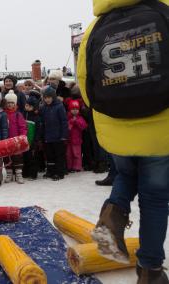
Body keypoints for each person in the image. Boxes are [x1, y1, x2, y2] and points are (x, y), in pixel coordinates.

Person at [78, 0, 169, 281]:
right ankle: (150, 269)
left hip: (115, 124)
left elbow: (84, 81)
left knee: (126, 175)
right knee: (155, 197)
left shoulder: (96, 27)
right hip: (160, 124)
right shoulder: (163, 12)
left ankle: (110, 220)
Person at [39, 86, 68, 181]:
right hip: (47, 136)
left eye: (49, 97)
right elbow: (42, 122)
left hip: (58, 137)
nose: (47, 100)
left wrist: (64, 135)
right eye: (45, 98)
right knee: (49, 155)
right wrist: (42, 135)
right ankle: (50, 171)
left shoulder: (59, 106)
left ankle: (60, 172)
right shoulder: (43, 108)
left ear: (53, 97)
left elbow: (64, 121)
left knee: (59, 155)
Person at [3, 91, 27, 184]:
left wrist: (22, 136)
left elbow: (23, 126)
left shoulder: (18, 114)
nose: (10, 105)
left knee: (17, 157)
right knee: (7, 157)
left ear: (15, 104)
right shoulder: (3, 114)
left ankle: (18, 174)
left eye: (12, 103)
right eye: (8, 103)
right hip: (6, 139)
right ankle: (9, 174)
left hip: (16, 140)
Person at [23, 96, 41, 180]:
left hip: (32, 141)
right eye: (26, 105)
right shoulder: (23, 115)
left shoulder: (36, 117)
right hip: (24, 140)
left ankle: (33, 174)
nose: (27, 107)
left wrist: (35, 141)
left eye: (30, 106)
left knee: (32, 158)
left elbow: (38, 131)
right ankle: (25, 172)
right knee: (25, 157)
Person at [66, 100, 87, 172]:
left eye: (76, 109)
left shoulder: (80, 118)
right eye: (73, 109)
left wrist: (76, 122)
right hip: (69, 140)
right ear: (70, 109)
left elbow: (84, 126)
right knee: (69, 154)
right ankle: (69, 166)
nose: (75, 111)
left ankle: (77, 167)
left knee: (77, 154)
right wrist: (71, 122)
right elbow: (67, 127)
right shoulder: (67, 117)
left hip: (77, 140)